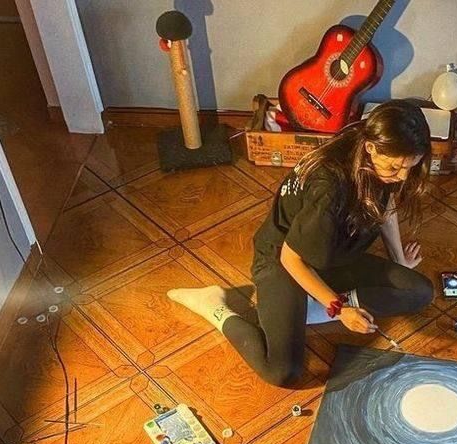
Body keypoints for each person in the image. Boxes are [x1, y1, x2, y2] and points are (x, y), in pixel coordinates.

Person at [166, 100, 435, 388]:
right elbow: (291, 259)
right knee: (283, 371)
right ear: (371, 147)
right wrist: (339, 308)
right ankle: (214, 306)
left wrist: (398, 260)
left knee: (419, 292)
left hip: (335, 253)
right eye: (395, 168)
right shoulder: (329, 188)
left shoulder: (373, 152)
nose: (403, 176)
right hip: (285, 259)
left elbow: (384, 201)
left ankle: (298, 312)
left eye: (410, 167)